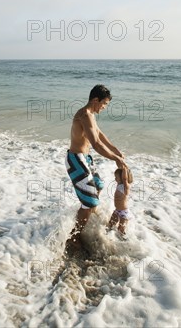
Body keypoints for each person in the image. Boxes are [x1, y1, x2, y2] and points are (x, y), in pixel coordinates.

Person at [65, 84, 127, 253]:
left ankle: (87, 214)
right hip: (76, 161)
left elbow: (100, 135)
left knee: (98, 185)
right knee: (90, 201)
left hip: (85, 159)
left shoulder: (91, 114)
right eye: (104, 104)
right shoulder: (84, 115)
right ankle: (74, 236)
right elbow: (96, 143)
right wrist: (115, 159)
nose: (104, 107)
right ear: (95, 100)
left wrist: (116, 150)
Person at [107, 166, 133, 237]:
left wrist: (124, 168)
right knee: (110, 225)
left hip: (124, 213)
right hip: (117, 210)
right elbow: (123, 178)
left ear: (122, 177)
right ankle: (108, 238)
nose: (115, 179)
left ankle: (125, 242)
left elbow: (125, 178)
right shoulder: (119, 184)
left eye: (116, 177)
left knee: (120, 230)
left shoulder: (126, 186)